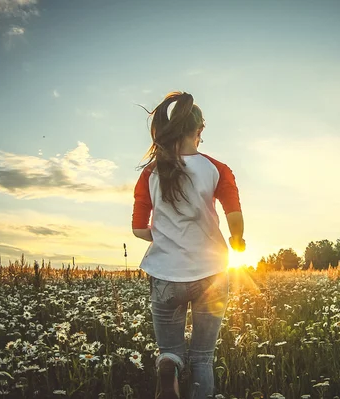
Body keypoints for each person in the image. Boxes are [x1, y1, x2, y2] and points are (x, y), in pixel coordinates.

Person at [131, 91, 245, 399]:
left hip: (165, 276)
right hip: (211, 275)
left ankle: (169, 364)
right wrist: (237, 240)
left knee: (170, 350)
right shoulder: (216, 169)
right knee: (202, 357)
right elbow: (234, 216)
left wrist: (164, 235)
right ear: (200, 130)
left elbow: (139, 229)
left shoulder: (150, 173)